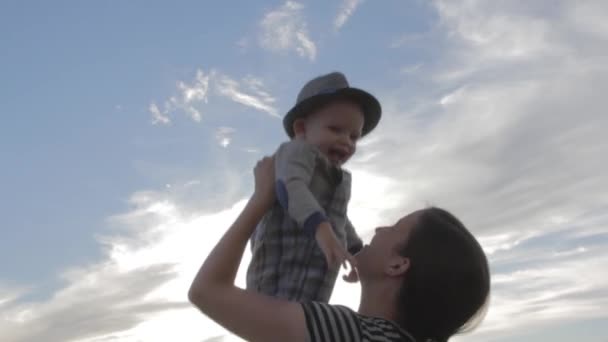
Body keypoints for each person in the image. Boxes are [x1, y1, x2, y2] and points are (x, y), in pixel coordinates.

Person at [188, 156, 491, 342]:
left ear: (398, 265)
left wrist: (261, 197)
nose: (380, 229)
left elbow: (206, 291)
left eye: (394, 227)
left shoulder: (346, 333)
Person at [245, 71, 382, 303]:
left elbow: (339, 217)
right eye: (335, 129)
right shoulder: (296, 151)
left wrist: (356, 250)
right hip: (277, 281)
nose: (346, 141)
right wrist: (321, 229)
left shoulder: (334, 177)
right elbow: (290, 187)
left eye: (353, 136)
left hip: (312, 287)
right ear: (301, 129)